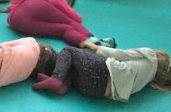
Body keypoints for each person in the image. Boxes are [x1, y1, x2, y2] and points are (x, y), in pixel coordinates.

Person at [32, 45, 171, 101]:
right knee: (76, 69)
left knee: (68, 51)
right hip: (97, 91)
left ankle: (57, 79)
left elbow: (120, 54)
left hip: (105, 72)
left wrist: (96, 48)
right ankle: (64, 85)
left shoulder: (150, 56)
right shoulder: (146, 81)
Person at [6, 0, 116, 48]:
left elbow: (14, 6)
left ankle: (85, 43)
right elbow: (76, 19)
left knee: (63, 29)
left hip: (16, 21)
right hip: (35, 8)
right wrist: (71, 12)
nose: (65, 2)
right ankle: (91, 38)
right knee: (69, 21)